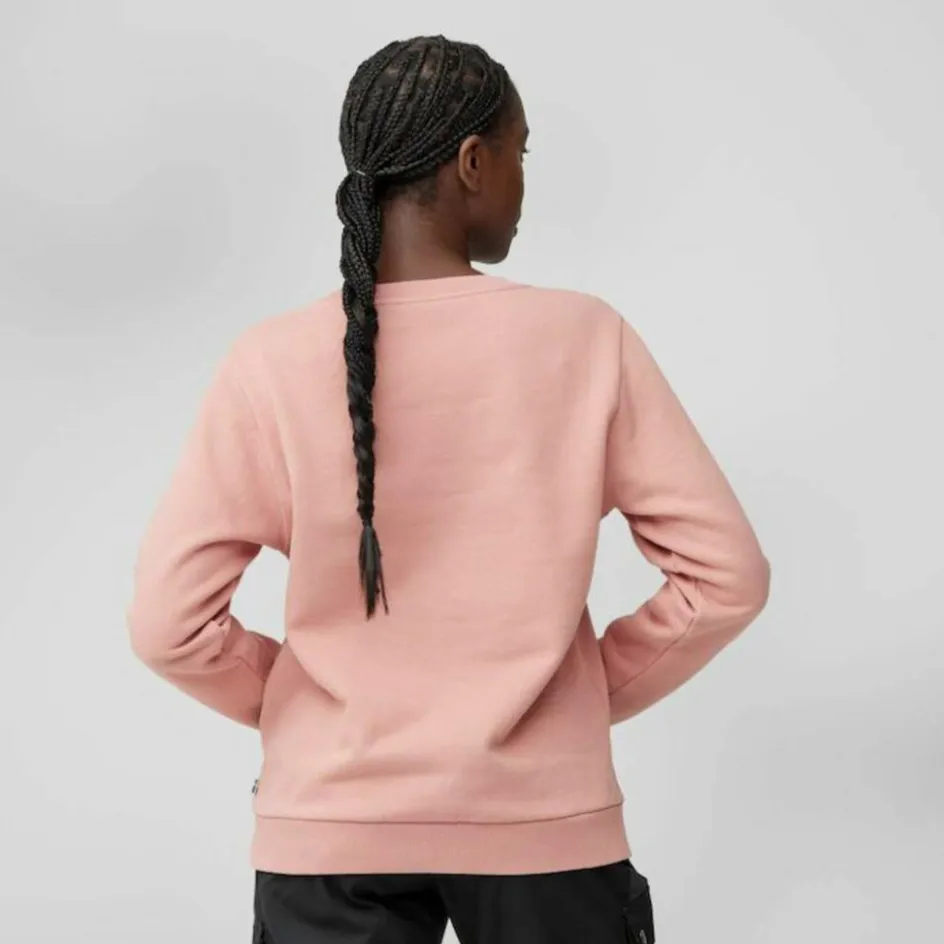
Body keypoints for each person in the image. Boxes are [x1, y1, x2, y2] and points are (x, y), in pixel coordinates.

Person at [127, 34, 770, 944]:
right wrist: (580, 695)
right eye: (520, 154)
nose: (522, 183)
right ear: (472, 163)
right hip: (543, 826)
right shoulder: (584, 340)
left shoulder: (268, 361)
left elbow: (168, 624)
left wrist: (301, 709)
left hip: (330, 830)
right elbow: (727, 578)